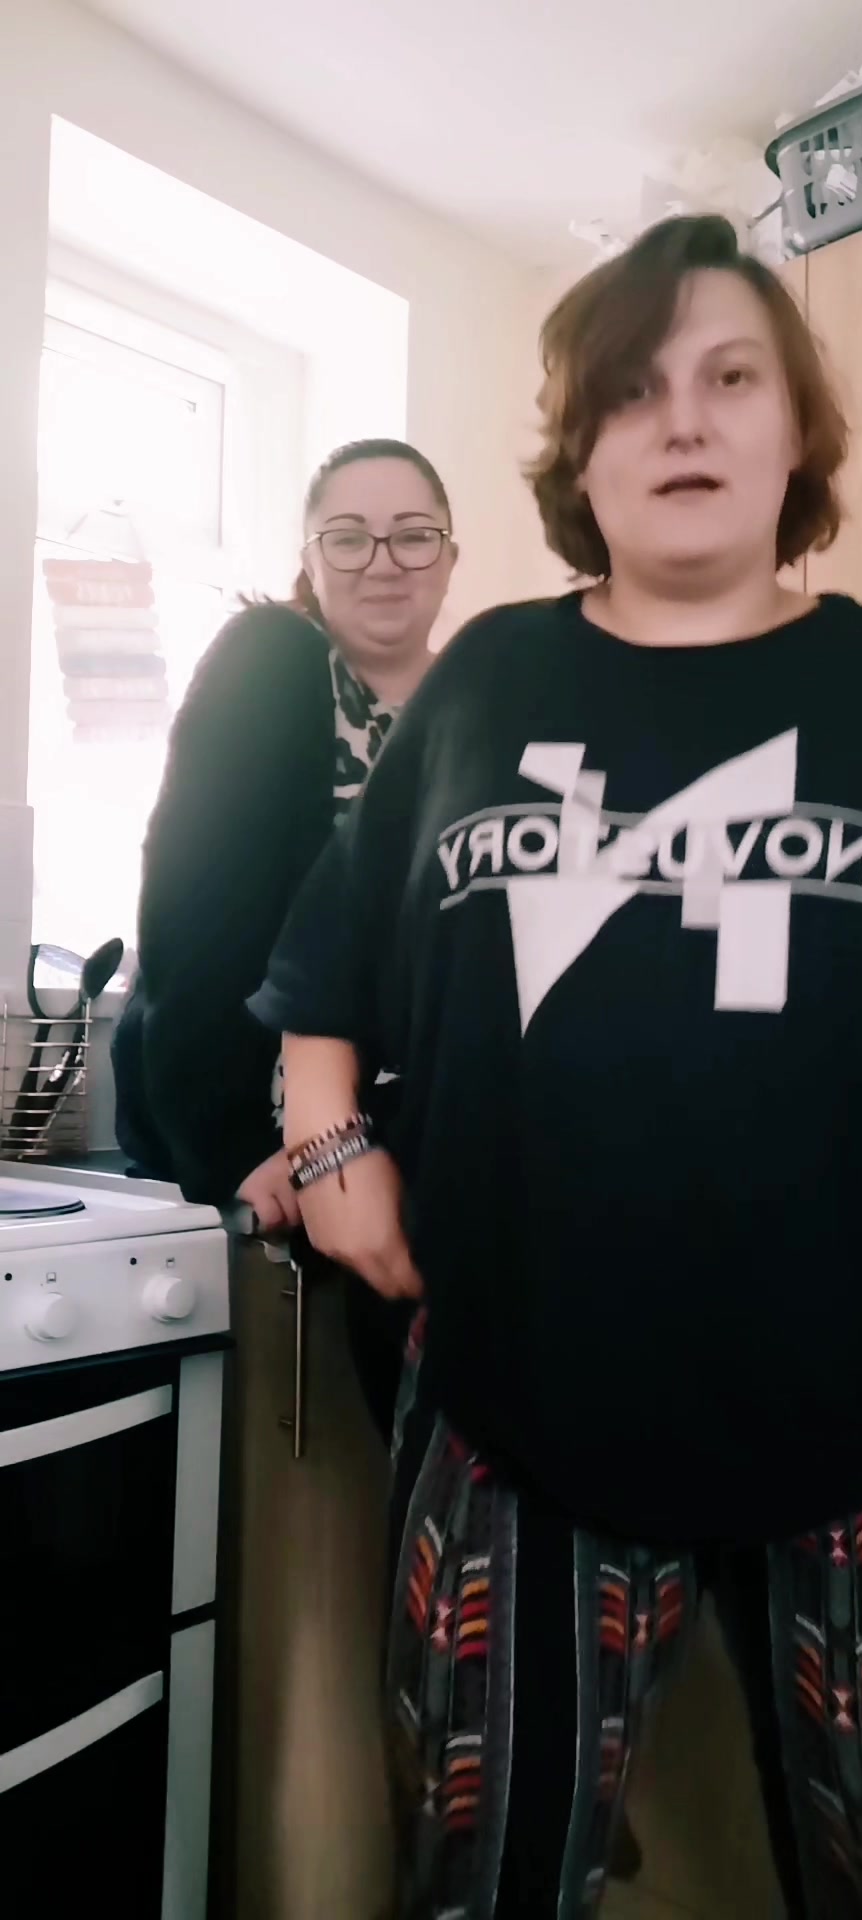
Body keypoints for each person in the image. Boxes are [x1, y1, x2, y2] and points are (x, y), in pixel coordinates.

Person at [250, 215, 862, 1918]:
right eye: (631, 390)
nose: (682, 420)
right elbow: (329, 976)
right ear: (579, 451)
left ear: (797, 432)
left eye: (730, 378)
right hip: (517, 1407)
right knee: (481, 1881)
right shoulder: (486, 684)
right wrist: (328, 1144)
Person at [112, 437, 457, 1443]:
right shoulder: (273, 665)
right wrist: (236, 1146)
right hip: (272, 1124)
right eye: (348, 538)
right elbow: (194, 908)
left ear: (449, 556)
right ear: (309, 559)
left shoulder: (471, 712)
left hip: (406, 1133)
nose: (383, 561)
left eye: (412, 535)